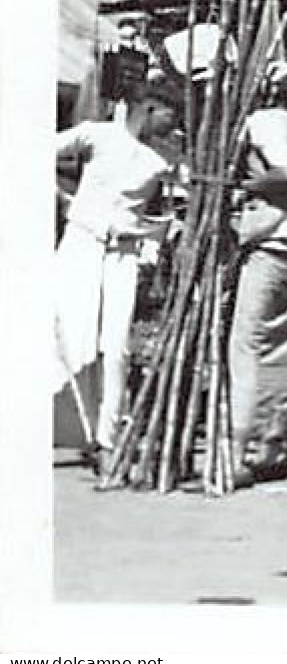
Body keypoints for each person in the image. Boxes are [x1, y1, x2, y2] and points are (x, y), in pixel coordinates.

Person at [55, 93, 181, 469]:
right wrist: (64, 197)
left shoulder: (160, 161)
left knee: (116, 348)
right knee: (63, 332)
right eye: (170, 117)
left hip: (123, 253)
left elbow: (174, 208)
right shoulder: (98, 135)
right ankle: (57, 430)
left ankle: (106, 440)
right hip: (81, 242)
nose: (173, 127)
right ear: (150, 110)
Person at [227, 61, 287, 486]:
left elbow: (285, 176)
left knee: (244, 346)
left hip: (272, 241)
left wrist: (241, 187)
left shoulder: (263, 122)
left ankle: (236, 451)